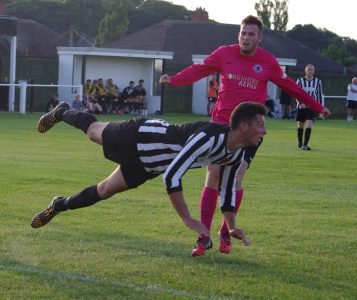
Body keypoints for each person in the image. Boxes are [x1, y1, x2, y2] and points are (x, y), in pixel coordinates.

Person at [160, 15, 331, 256]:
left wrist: (316, 106)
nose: (246, 37)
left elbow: (291, 87)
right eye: (243, 33)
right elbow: (199, 69)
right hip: (222, 126)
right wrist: (174, 80)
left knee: (237, 177)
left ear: (259, 38)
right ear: (238, 35)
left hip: (251, 131)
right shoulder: (224, 54)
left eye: (251, 34)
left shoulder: (268, 61)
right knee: (213, 174)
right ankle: (204, 236)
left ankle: (225, 232)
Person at [31, 102, 268, 252]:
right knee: (94, 133)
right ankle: (62, 112)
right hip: (141, 136)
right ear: (244, 127)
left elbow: (226, 192)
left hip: (151, 164)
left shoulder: (236, 154)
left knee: (104, 191)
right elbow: (173, 176)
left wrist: (232, 226)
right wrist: (187, 219)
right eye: (260, 125)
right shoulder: (210, 135)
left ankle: (58, 205)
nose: (265, 131)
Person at [296, 64, 324, 150]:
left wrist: (320, 109)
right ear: (305, 70)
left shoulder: (318, 81)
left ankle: (305, 145)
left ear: (314, 71)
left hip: (312, 107)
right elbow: (296, 93)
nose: (310, 71)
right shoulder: (300, 81)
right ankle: (300, 142)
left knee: (309, 125)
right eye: (308, 69)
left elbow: (319, 95)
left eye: (312, 70)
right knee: (300, 125)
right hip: (301, 107)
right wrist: (301, 103)